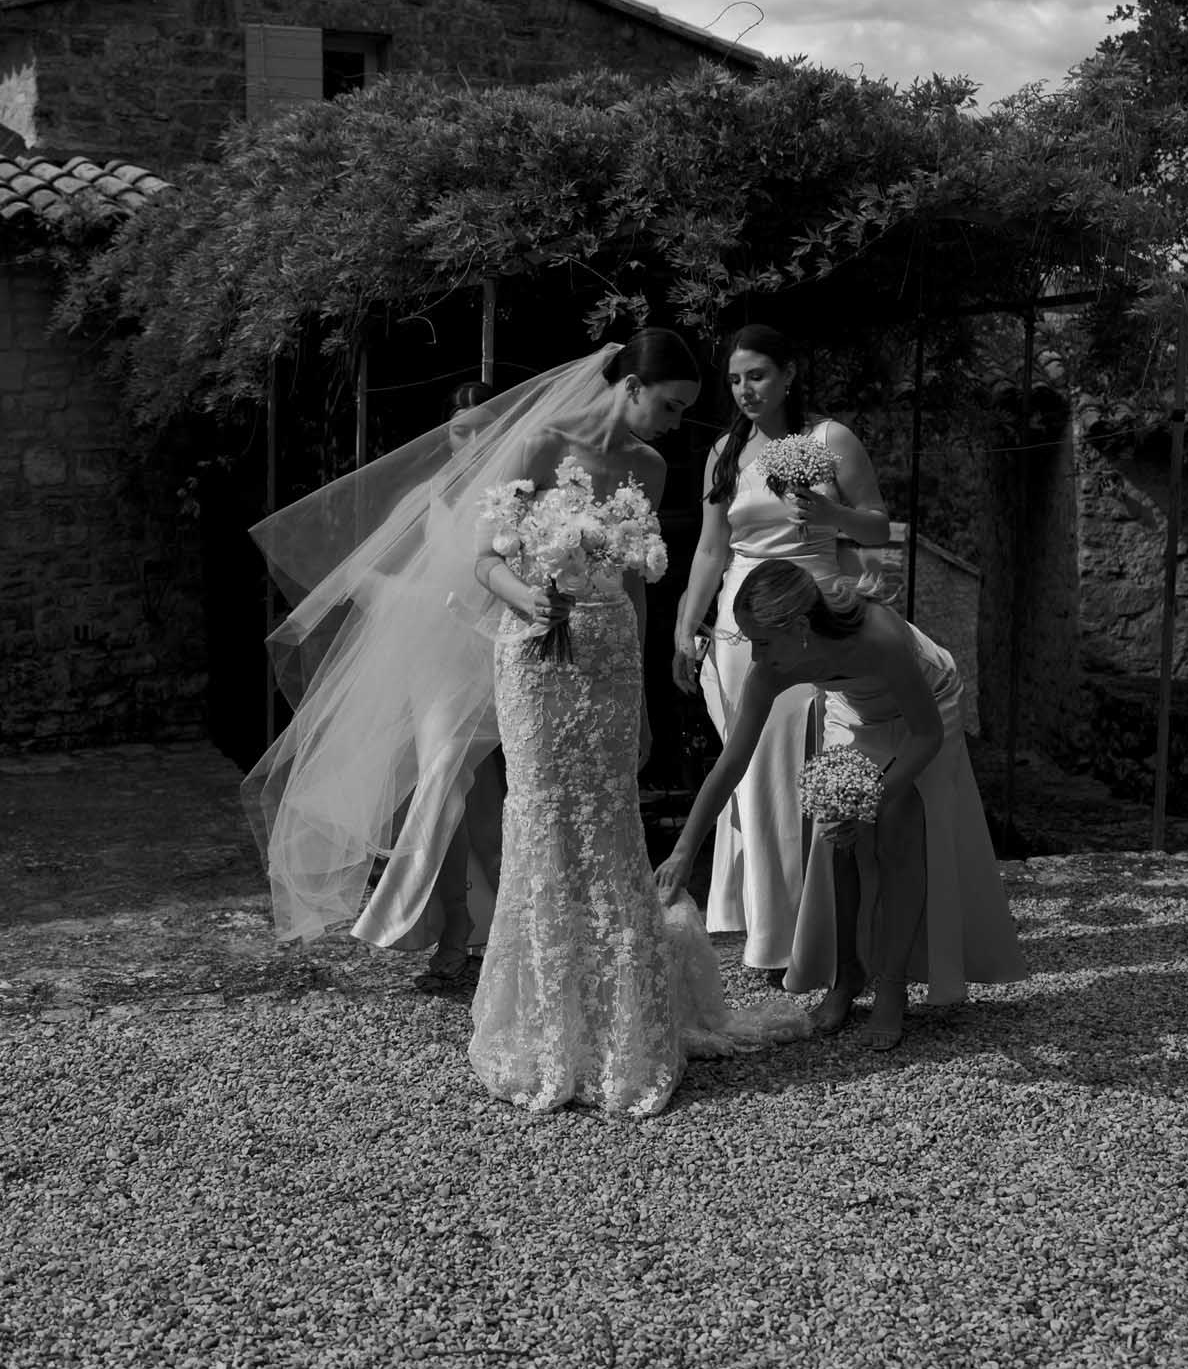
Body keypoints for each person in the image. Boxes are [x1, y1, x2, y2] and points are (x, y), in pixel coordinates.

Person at [244, 335, 806, 1120]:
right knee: (541, 817)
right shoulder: (540, 444)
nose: (677, 422)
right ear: (629, 386)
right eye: (669, 405)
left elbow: (638, 587)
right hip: (533, 650)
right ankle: (542, 1019)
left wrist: (639, 693)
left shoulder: (647, 467)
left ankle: (622, 1016)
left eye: (682, 410)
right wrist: (521, 596)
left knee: (611, 820)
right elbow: (482, 557)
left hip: (607, 653)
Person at [656, 560, 1027, 1049]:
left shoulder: (881, 637)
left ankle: (892, 988)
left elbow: (925, 735)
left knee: (898, 830)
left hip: (927, 711)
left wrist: (870, 802)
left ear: (801, 628)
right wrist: (684, 850)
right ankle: (847, 976)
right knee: (837, 842)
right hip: (854, 715)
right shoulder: (770, 670)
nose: (755, 654)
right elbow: (732, 763)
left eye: (762, 641)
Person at [672, 325, 892, 976]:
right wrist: (685, 627)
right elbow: (711, 549)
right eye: (736, 379)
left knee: (792, 772)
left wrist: (829, 514)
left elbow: (877, 524)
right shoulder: (722, 452)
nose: (745, 390)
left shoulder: (830, 441)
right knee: (751, 779)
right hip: (738, 632)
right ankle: (768, 925)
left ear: (789, 374)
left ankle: (801, 936)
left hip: (814, 621)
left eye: (758, 375)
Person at [410, 381, 506, 994]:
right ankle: (457, 922)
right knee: (443, 783)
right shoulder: (431, 494)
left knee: (494, 793)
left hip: (497, 652)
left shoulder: (514, 494)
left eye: (480, 427)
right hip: (438, 658)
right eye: (458, 428)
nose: (469, 439)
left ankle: (510, 924)